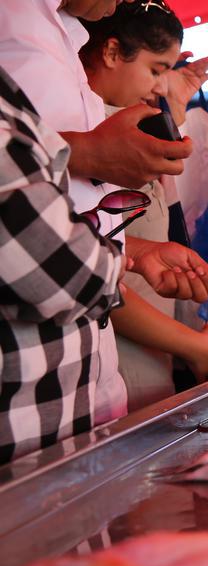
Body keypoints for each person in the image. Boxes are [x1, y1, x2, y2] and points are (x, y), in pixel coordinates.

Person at [0, 0, 208, 425]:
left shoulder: (62, 34)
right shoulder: (11, 28)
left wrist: (134, 251)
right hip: (29, 404)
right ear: (113, 53)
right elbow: (42, 248)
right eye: (156, 70)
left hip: (85, 383)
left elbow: (62, 212)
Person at [79, 0, 208, 410]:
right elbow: (88, 270)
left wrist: (177, 108)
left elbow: (171, 221)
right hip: (115, 360)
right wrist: (191, 345)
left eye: (167, 73)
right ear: (112, 52)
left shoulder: (125, 128)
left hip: (153, 358)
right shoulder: (90, 139)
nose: (160, 86)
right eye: (155, 70)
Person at [1, 65, 124, 462]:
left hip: (50, 439)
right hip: (19, 456)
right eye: (156, 69)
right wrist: (121, 262)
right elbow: (61, 272)